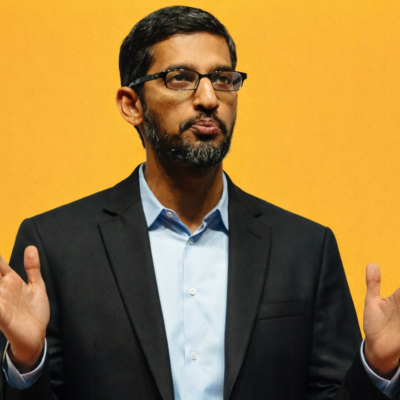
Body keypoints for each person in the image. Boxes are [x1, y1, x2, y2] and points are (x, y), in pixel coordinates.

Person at [0, 6, 399, 400]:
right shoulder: (55, 247)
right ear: (132, 104)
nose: (209, 98)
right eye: (180, 78)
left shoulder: (305, 249)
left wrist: (378, 367)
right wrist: (26, 364)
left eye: (223, 79)